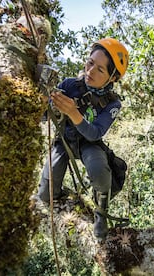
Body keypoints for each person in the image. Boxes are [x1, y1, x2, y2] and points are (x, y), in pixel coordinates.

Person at [38, 38, 129, 240]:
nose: (90, 72)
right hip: (64, 139)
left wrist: (73, 112)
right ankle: (67, 197)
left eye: (100, 70)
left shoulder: (112, 104)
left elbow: (95, 133)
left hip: (89, 143)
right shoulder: (70, 85)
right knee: (45, 195)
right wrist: (46, 103)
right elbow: (44, 116)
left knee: (99, 170)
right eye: (90, 63)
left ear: (113, 78)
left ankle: (101, 212)